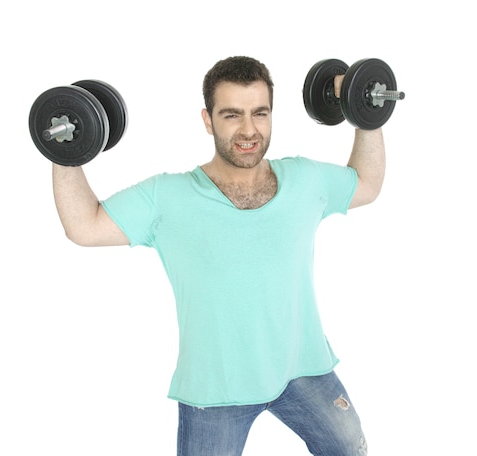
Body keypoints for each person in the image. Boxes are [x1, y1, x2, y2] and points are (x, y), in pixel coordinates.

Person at [51, 56, 385, 455]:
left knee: (352, 449)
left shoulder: (305, 179)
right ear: (208, 120)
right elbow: (84, 226)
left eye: (260, 113)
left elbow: (367, 183)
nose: (249, 130)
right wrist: (64, 148)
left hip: (303, 369)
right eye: (232, 115)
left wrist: (367, 110)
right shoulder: (167, 197)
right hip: (215, 388)